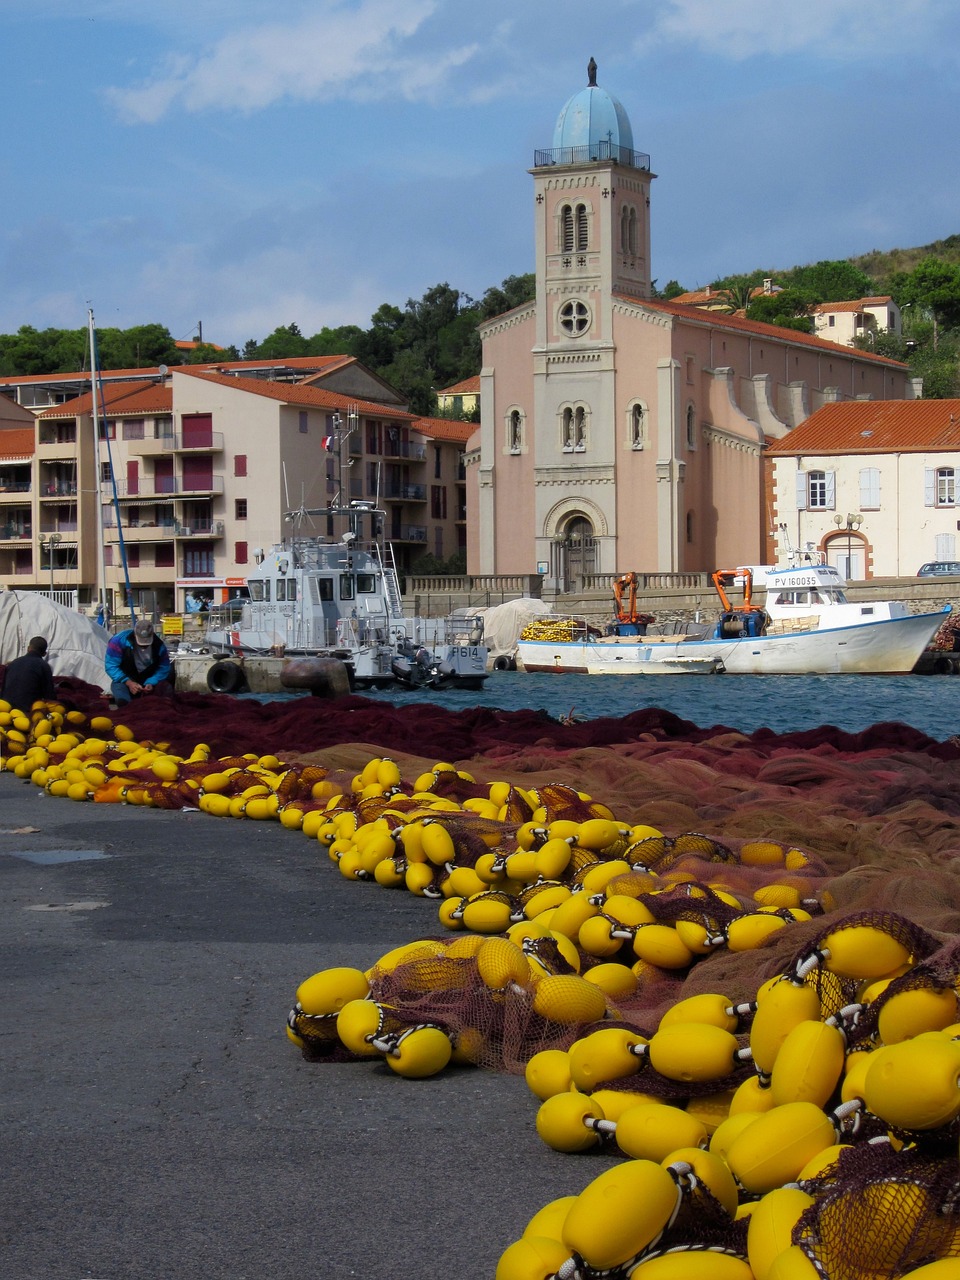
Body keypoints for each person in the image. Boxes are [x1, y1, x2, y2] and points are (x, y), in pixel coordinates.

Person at [105, 619, 172, 706]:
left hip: (149, 677)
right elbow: (111, 665)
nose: (143, 646)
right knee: (122, 698)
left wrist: (151, 682)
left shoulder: (159, 645)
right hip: (125, 678)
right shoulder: (118, 641)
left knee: (166, 693)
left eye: (147, 643)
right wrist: (129, 682)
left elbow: (164, 667)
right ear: (134, 634)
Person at [1, 636, 56, 713]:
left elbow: (3, 689)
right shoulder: (44, 666)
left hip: (6, 710)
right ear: (44, 654)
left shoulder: (13, 663)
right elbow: (50, 696)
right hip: (27, 712)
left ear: (28, 648)